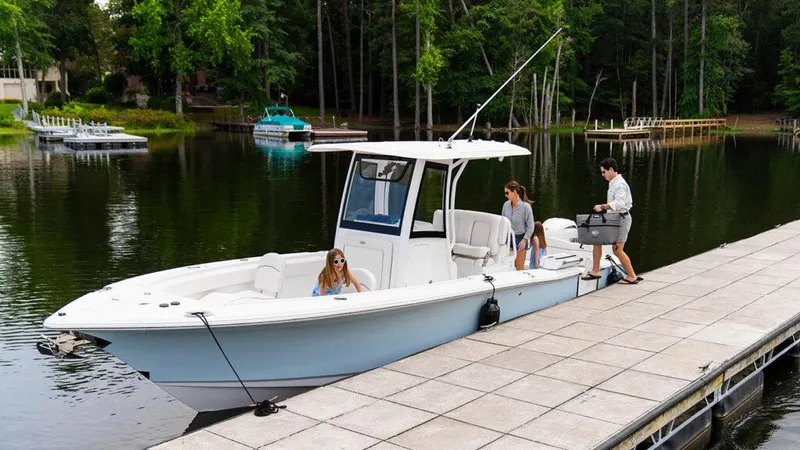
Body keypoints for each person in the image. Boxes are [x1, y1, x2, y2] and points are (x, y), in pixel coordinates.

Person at [581, 157, 638, 284]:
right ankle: (595, 271)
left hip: (622, 219)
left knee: (617, 250)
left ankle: (632, 276)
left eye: (603, 172)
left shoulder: (620, 184)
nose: (602, 175)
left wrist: (602, 206)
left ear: (611, 169)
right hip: (613, 218)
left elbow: (619, 203)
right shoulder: (613, 183)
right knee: (597, 240)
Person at [502, 181, 535, 271]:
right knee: (506, 266)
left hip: (521, 239)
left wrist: (525, 240)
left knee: (519, 266)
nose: (506, 195)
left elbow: (531, 226)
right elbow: (503, 222)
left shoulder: (526, 207)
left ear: (515, 192)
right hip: (508, 238)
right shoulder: (505, 205)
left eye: (507, 193)